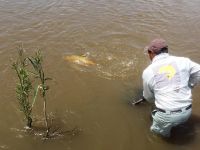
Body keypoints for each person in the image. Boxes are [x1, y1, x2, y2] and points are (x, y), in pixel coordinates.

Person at [142, 38, 200, 137]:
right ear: (166, 50)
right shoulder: (184, 61)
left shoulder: (148, 71)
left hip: (166, 116)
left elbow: (149, 98)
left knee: (156, 136)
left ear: (150, 52)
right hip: (187, 112)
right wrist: (190, 85)